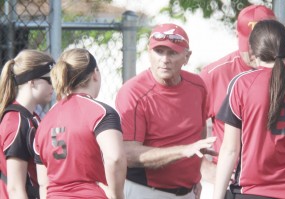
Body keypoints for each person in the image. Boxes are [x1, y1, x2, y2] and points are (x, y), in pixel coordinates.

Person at [199, 5, 285, 196]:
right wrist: (202, 168)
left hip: (249, 186)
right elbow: (187, 129)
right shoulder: (215, 74)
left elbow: (230, 149)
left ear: (255, 47)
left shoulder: (241, 84)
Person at [115, 23, 217, 199]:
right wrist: (183, 151)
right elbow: (128, 154)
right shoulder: (133, 92)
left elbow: (197, 132)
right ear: (148, 52)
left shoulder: (197, 85)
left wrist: (194, 177)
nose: (165, 59)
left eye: (172, 52)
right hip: (145, 191)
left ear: (187, 56)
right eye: (159, 51)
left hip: (188, 191)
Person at [33, 48, 127, 199]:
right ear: (95, 73)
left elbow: (44, 183)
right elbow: (115, 158)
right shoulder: (101, 112)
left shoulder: (45, 121)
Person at [0, 49, 55, 199]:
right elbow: (15, 188)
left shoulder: (31, 117)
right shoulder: (16, 122)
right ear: (32, 81)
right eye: (49, 79)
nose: (54, 86)